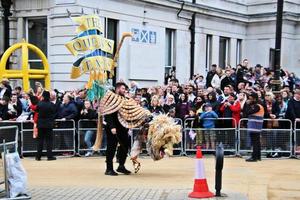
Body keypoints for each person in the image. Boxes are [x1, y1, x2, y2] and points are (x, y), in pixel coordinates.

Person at [104, 82, 131, 176]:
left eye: (125, 89)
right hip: (113, 127)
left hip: (123, 127)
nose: (124, 91)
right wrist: (112, 126)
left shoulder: (125, 99)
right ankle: (109, 168)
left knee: (125, 146)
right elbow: (108, 114)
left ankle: (121, 166)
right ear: (118, 89)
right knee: (111, 147)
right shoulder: (111, 99)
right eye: (123, 89)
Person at [35, 91, 57, 161]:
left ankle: (38, 156)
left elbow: (36, 110)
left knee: (40, 141)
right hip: (49, 125)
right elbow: (54, 112)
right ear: (49, 96)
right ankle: (49, 156)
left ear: (43, 96)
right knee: (49, 141)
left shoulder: (39, 104)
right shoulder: (51, 104)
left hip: (40, 124)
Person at [244, 92, 264, 162]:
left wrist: (247, 104)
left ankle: (254, 157)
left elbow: (247, 112)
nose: (249, 99)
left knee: (255, 142)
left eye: (250, 98)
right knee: (257, 142)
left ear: (254, 98)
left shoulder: (256, 106)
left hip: (254, 126)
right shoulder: (259, 105)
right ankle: (258, 156)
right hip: (256, 126)